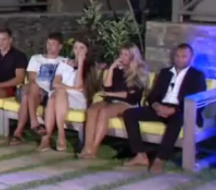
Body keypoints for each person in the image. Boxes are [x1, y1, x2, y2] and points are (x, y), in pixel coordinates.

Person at [122, 43, 206, 174]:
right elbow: (152, 96)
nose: (179, 59)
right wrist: (156, 106)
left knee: (177, 120)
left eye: (184, 56)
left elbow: (198, 100)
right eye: (177, 56)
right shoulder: (165, 73)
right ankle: (140, 155)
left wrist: (174, 110)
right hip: (160, 107)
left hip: (180, 110)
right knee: (129, 113)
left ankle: (160, 159)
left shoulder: (197, 76)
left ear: (191, 58)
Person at [79, 43, 148, 159]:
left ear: (133, 56)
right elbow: (107, 88)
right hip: (111, 100)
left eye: (126, 54)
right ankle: (87, 147)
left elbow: (131, 94)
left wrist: (111, 94)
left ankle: (94, 148)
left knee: (104, 112)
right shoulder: (117, 69)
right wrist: (111, 68)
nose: (122, 57)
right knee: (92, 110)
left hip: (128, 103)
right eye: (121, 54)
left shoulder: (139, 71)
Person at [39, 38, 100, 152]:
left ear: (87, 50)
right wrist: (72, 88)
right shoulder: (64, 63)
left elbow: (79, 85)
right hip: (60, 96)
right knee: (55, 96)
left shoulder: (91, 66)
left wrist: (80, 64)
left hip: (78, 99)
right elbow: (55, 83)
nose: (78, 51)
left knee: (56, 95)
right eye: (76, 48)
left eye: (81, 48)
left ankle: (50, 137)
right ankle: (56, 136)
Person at [9, 32, 65, 145]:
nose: (50, 46)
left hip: (46, 94)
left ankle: (18, 132)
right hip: (33, 89)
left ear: (60, 46)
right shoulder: (36, 58)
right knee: (32, 87)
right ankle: (34, 121)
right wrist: (36, 87)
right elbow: (31, 79)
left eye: (53, 44)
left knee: (26, 97)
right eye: (48, 43)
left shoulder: (63, 61)